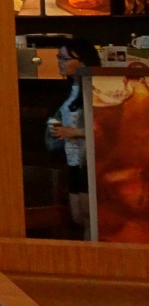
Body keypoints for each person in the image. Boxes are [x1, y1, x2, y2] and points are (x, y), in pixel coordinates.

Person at [48, 37, 99, 237]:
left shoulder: (95, 89)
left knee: (90, 216)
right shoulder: (68, 90)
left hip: (89, 161)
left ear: (83, 61)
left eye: (65, 58)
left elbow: (108, 130)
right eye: (59, 57)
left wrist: (75, 132)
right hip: (72, 158)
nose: (60, 62)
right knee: (77, 215)